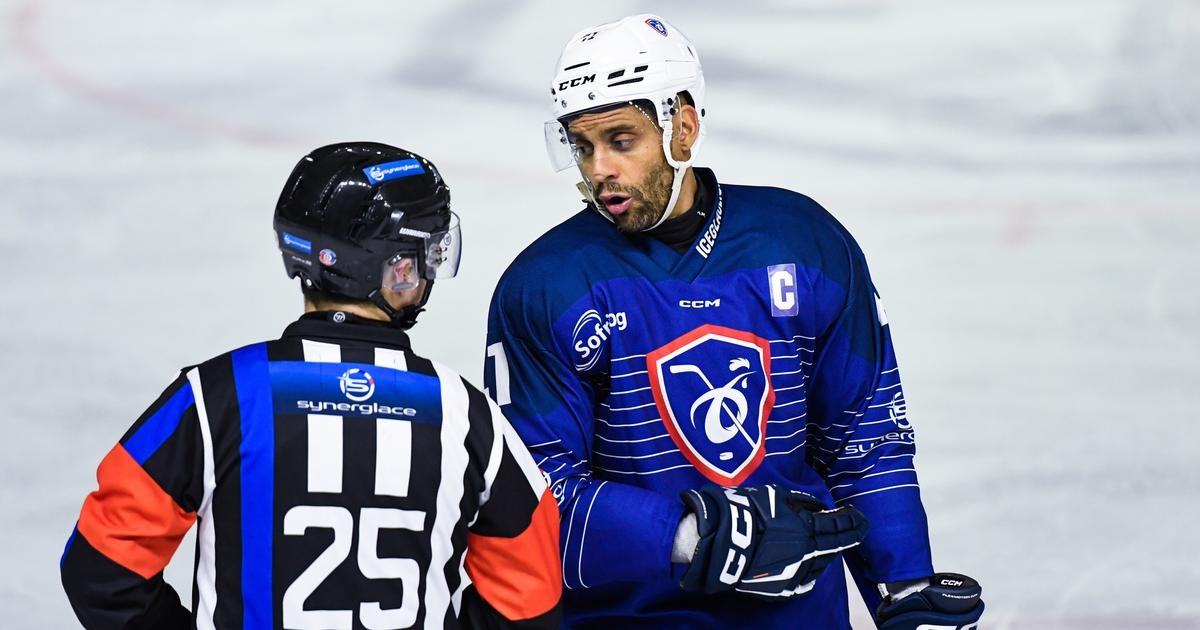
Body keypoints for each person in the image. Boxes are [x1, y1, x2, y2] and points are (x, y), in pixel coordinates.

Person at [483, 14, 984, 629]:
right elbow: (535, 490)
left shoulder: (803, 242)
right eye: (582, 146)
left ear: (683, 127)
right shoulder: (546, 285)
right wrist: (693, 536)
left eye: (620, 140)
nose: (598, 170)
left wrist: (903, 587)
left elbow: (862, 435)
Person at [61, 142, 563, 630]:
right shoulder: (465, 415)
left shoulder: (219, 395)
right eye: (424, 254)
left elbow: (100, 568)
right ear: (397, 269)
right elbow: (532, 596)